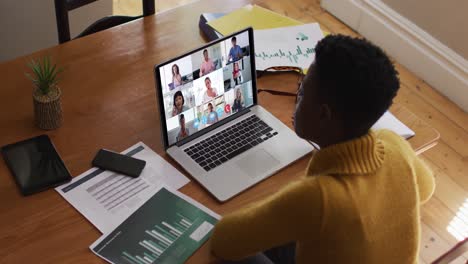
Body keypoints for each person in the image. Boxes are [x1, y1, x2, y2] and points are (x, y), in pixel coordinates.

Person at [210, 35, 435, 264]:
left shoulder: (317, 198)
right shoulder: (394, 144)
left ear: (323, 114)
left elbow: (223, 240)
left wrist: (281, 205)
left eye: (303, 91)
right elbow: (426, 187)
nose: (298, 98)